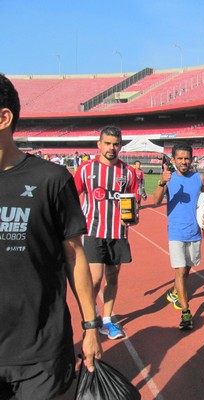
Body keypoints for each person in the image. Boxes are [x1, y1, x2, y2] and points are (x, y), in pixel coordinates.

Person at [0, 73, 102, 399]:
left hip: (41, 355)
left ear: (4, 118)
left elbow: (74, 255)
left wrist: (90, 327)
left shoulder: (52, 180)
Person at [74, 126, 139, 340]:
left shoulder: (128, 172)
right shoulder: (86, 169)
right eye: (108, 143)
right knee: (95, 278)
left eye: (116, 144)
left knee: (112, 276)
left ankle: (108, 320)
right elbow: (73, 197)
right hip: (93, 230)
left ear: (120, 146)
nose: (112, 148)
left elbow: (134, 200)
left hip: (118, 233)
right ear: (99, 144)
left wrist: (132, 216)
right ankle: (91, 316)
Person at [154, 142, 204, 330]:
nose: (184, 161)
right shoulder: (168, 178)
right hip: (176, 232)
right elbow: (155, 201)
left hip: (194, 232)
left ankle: (173, 292)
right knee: (179, 271)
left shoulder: (200, 178)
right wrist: (162, 182)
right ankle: (186, 312)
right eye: (180, 158)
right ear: (173, 160)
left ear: (192, 159)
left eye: (187, 158)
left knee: (187, 270)